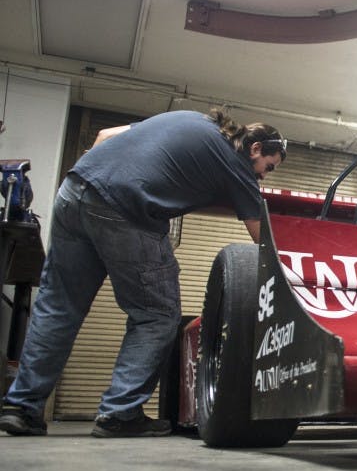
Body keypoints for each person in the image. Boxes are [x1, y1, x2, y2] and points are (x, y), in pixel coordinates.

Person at [0, 108, 285, 438]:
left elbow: (105, 137)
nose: (265, 175)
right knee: (158, 315)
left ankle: (22, 408)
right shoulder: (237, 168)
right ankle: (120, 413)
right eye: (269, 167)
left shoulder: (193, 119)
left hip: (75, 190)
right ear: (255, 150)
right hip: (127, 209)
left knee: (58, 306)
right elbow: (261, 238)